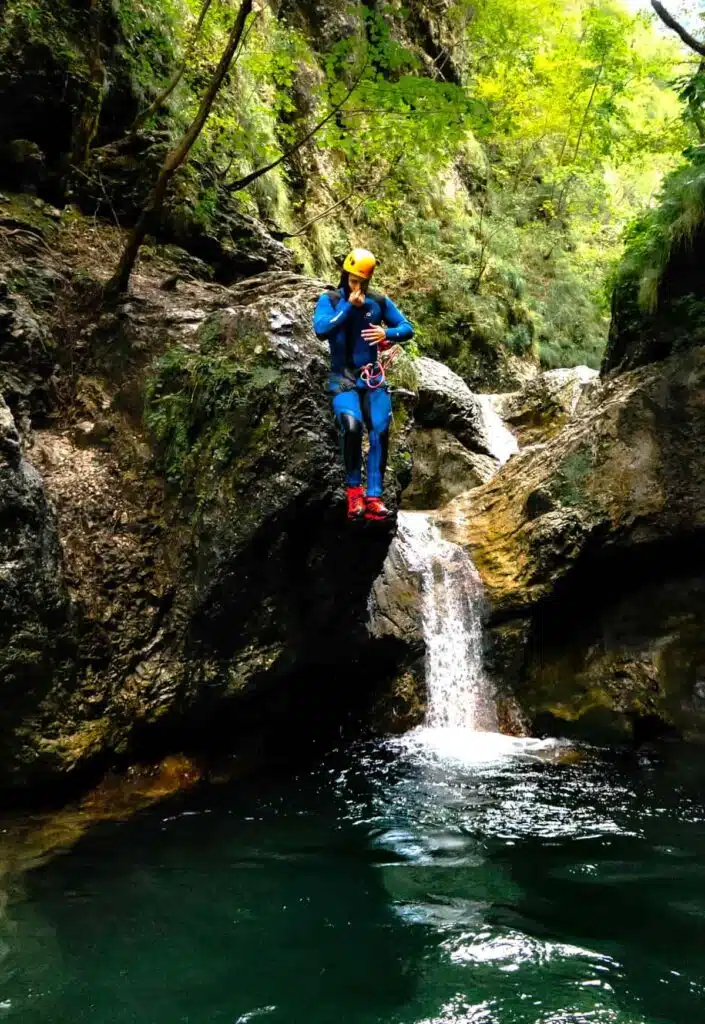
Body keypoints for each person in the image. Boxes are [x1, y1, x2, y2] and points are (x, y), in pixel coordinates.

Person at [313, 248, 414, 521]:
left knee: (380, 429)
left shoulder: (378, 302)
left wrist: (387, 332)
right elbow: (322, 330)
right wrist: (348, 307)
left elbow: (407, 328)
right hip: (341, 377)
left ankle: (374, 496)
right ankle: (353, 492)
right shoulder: (331, 300)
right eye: (352, 279)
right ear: (345, 275)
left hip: (371, 377)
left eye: (361, 281)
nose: (356, 285)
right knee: (352, 426)